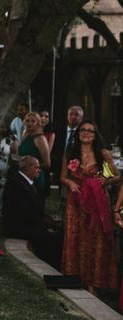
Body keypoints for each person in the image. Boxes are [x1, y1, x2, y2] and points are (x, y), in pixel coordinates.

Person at [60, 120, 119, 294]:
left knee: (96, 239)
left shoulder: (103, 154)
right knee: (75, 236)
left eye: (90, 131)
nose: (85, 133)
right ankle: (74, 277)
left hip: (97, 202)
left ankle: (93, 282)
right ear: (78, 133)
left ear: (95, 136)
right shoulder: (70, 153)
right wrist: (69, 182)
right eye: (82, 130)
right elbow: (62, 177)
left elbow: (117, 176)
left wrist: (107, 180)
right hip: (76, 201)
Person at [2, 156, 62, 270]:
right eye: (37, 167)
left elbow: (35, 210)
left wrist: (49, 222)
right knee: (54, 238)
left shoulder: (30, 183)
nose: (39, 170)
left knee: (58, 234)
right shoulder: (15, 184)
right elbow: (23, 212)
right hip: (18, 227)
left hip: (30, 223)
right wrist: (45, 225)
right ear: (28, 168)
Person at [11, 112, 50, 200]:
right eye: (27, 121)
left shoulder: (41, 139)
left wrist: (30, 167)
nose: (29, 123)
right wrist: (14, 153)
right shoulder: (25, 135)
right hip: (21, 177)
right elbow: (21, 157)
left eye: (33, 121)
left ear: (38, 123)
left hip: (34, 178)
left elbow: (47, 164)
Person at [50, 105, 83, 185]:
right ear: (67, 116)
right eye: (71, 114)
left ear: (81, 118)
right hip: (59, 168)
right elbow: (53, 151)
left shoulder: (84, 133)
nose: (73, 117)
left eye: (76, 115)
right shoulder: (58, 131)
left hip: (79, 171)